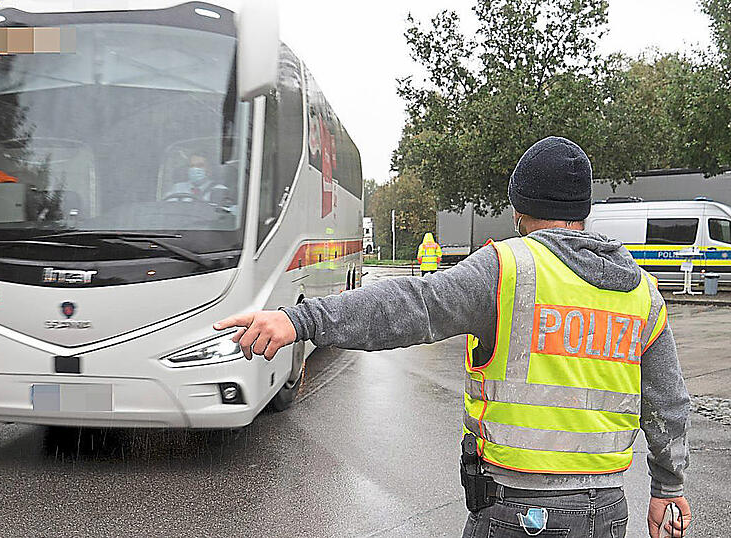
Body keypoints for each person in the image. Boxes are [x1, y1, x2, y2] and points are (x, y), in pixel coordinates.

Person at [213, 137, 692, 538]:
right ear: (583, 210)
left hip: (520, 514)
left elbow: (412, 305)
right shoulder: (642, 292)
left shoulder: (508, 269)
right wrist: (668, 489)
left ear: (519, 208)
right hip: (606, 512)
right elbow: (667, 403)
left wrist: (301, 320)